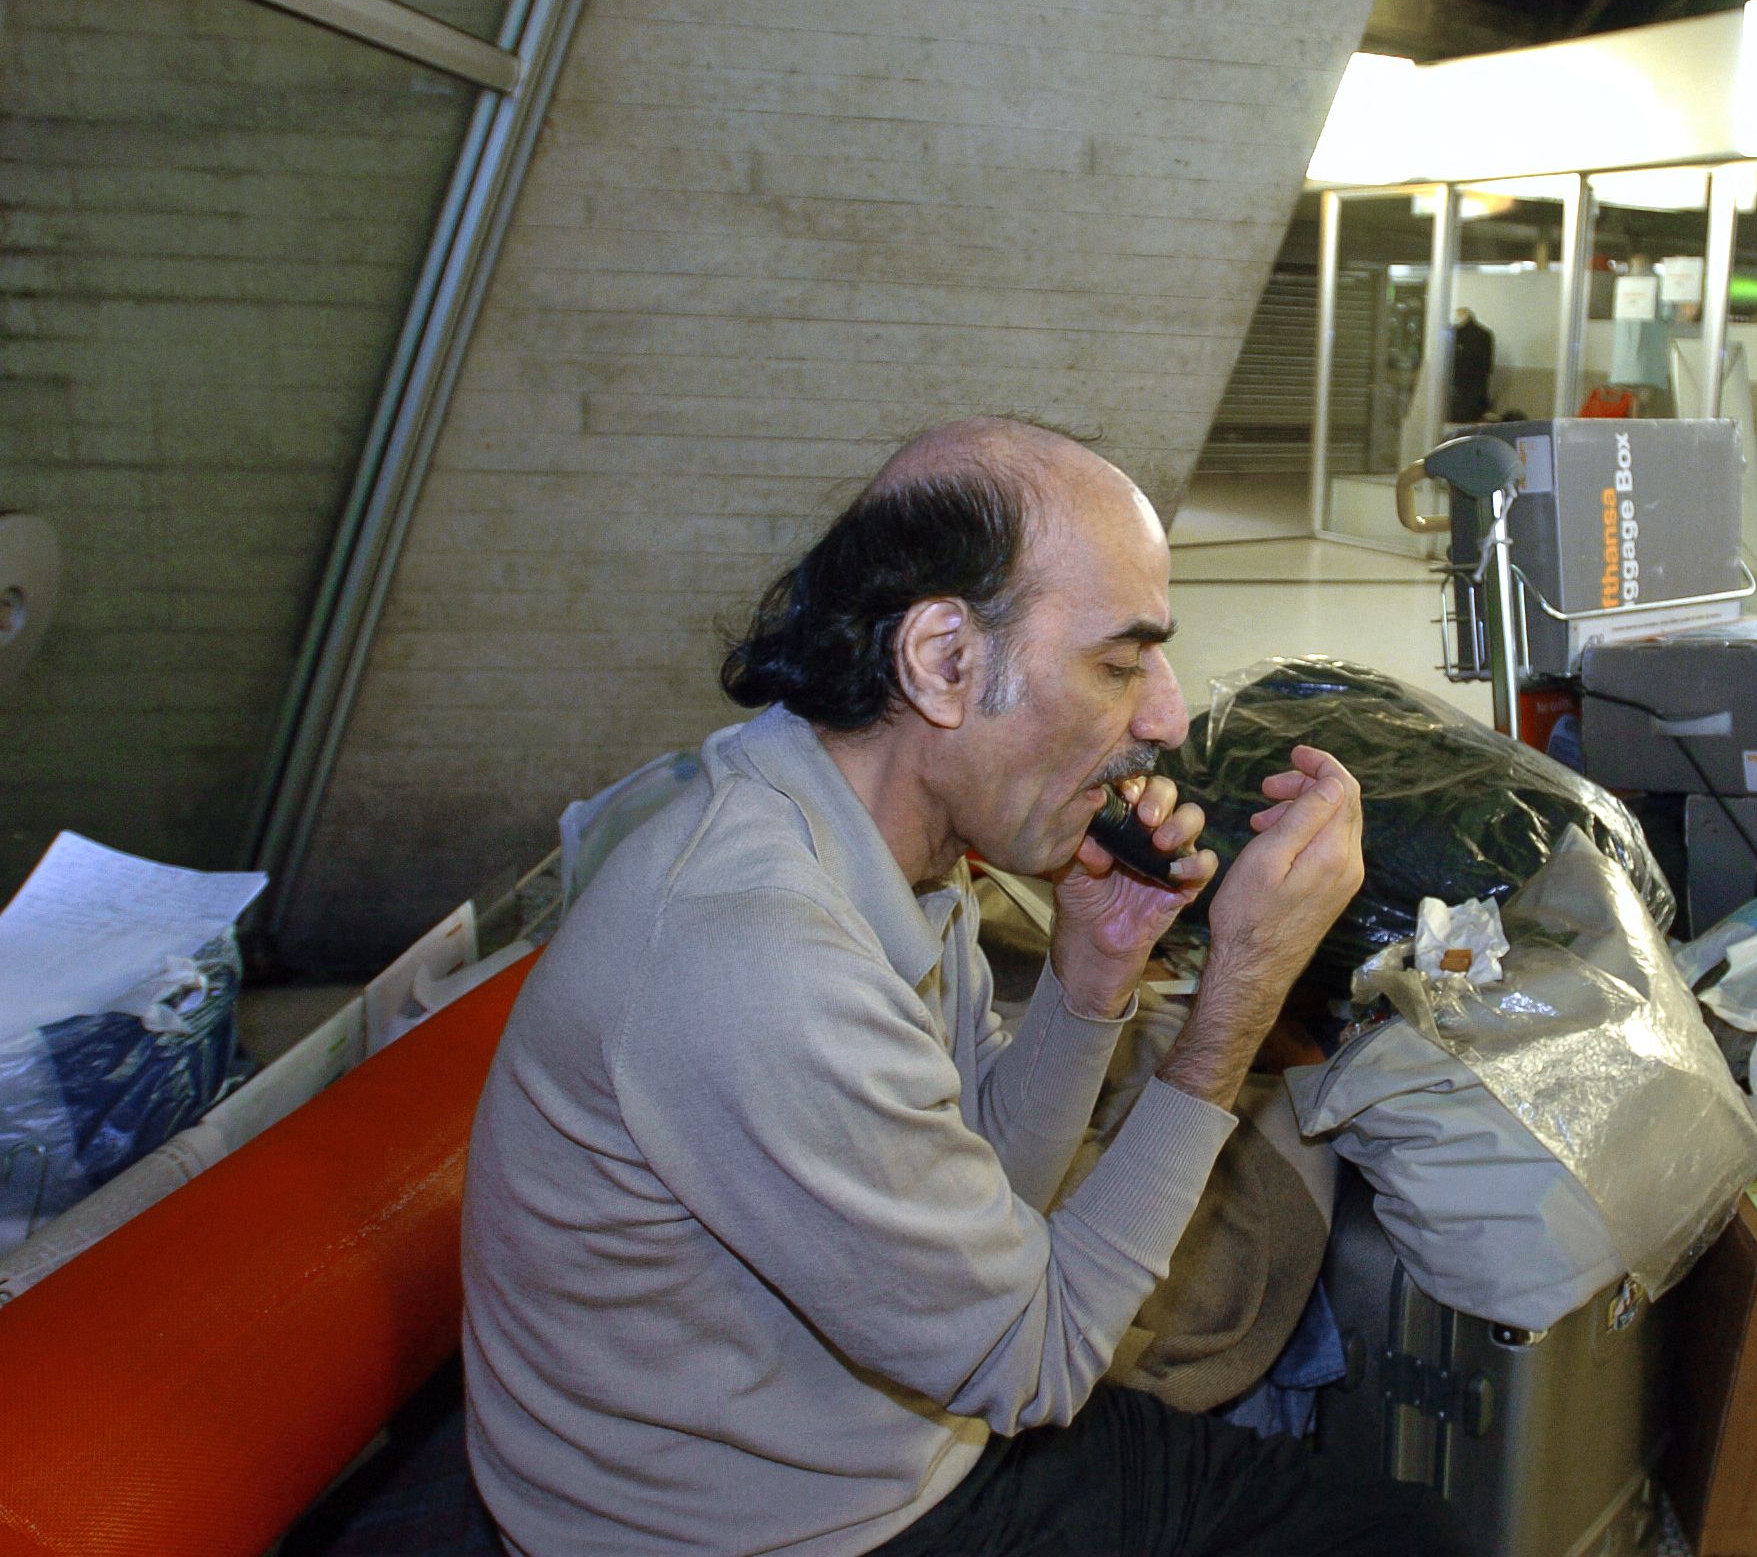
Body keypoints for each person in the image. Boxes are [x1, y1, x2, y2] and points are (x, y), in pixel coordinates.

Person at [460, 418, 1470, 1557]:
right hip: (780, 1533)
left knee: (1398, 1528)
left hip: (888, 1448)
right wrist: (1242, 989)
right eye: (1119, 663)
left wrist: (1092, 975)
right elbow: (1034, 1364)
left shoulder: (871, 845)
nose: (1165, 717)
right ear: (943, 661)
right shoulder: (760, 961)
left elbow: (991, 1184)